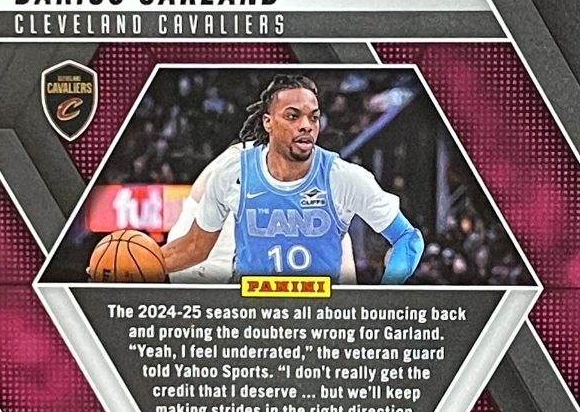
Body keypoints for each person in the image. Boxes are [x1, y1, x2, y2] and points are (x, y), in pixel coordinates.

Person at [162, 73, 423, 284]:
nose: (307, 125)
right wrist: (147, 264)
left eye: (314, 117)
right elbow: (195, 247)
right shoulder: (231, 172)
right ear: (268, 123)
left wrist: (388, 291)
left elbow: (408, 237)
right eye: (293, 116)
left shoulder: (344, 178)